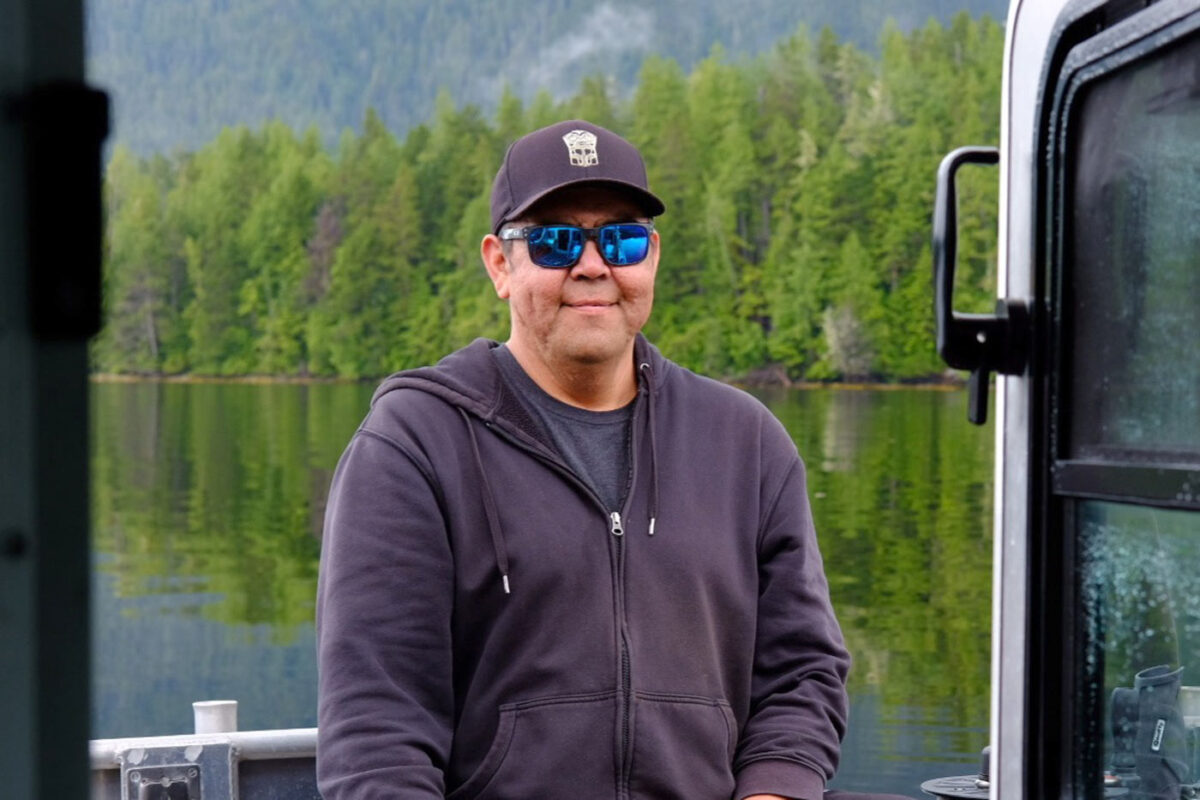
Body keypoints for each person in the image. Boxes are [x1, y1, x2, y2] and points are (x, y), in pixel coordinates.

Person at [316, 119, 852, 800]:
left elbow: (802, 674)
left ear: (651, 257)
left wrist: (772, 793)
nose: (593, 265)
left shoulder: (746, 443)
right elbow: (377, 733)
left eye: (621, 239)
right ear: (499, 264)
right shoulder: (412, 447)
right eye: (556, 241)